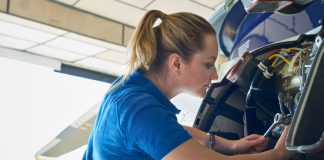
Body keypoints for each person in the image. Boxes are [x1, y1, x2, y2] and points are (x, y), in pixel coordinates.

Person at [83, 10, 294, 160]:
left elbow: (167, 130)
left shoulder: (128, 89)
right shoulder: (138, 109)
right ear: (176, 63)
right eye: (208, 64)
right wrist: (279, 154)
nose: (214, 76)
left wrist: (230, 145)